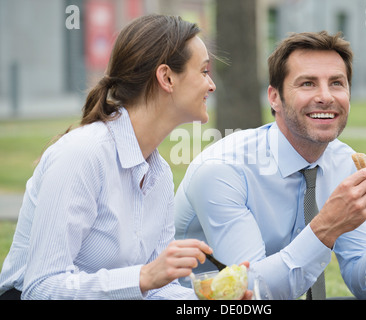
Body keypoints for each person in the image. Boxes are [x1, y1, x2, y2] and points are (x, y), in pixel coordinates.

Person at [0, 14, 250, 300]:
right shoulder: (82, 154)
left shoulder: (160, 174)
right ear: (167, 77)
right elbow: (41, 288)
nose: (211, 85)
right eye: (204, 71)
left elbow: (159, 288)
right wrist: (143, 277)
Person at [174, 31, 366, 300]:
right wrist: (325, 228)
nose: (326, 96)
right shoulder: (223, 170)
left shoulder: (345, 165)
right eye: (307, 83)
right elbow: (252, 293)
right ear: (274, 98)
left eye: (337, 83)